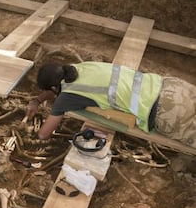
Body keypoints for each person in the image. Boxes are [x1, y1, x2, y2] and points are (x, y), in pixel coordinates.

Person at [26, 61, 196, 148]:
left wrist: (35, 136)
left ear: (55, 87)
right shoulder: (78, 68)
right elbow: (53, 90)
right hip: (171, 86)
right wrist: (37, 100)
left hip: (167, 112)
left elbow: (44, 134)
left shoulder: (67, 96)